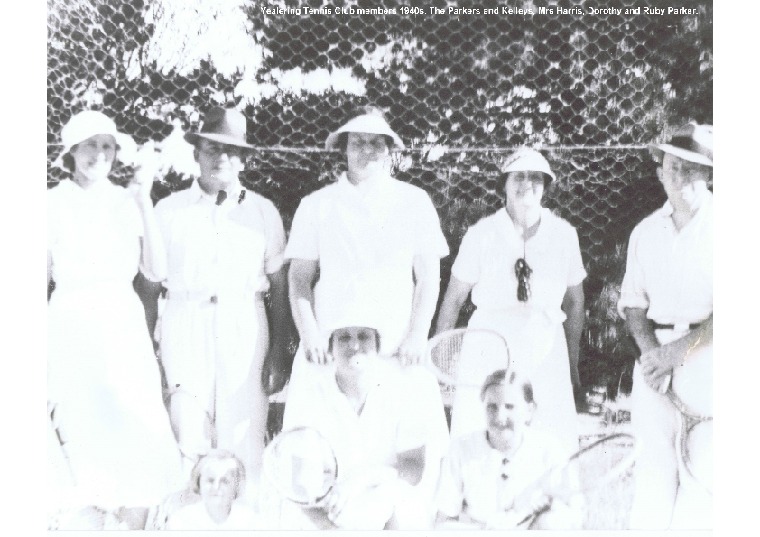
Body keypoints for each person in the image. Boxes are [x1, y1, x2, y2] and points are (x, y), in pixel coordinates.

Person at [47, 110, 183, 529]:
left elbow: (157, 271)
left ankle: (132, 523)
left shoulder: (128, 202)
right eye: (91, 145)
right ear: (70, 152)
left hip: (121, 324)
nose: (100, 154)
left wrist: (143, 200)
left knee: (133, 421)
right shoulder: (49, 203)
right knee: (80, 424)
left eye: (107, 146)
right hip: (71, 323)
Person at [147, 107, 290, 489]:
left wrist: (279, 350)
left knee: (243, 436)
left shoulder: (263, 212)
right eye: (211, 148)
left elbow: (279, 288)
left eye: (231, 151)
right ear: (196, 153)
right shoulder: (168, 211)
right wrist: (150, 352)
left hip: (244, 325)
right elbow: (148, 288)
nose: (221, 158)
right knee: (187, 434)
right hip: (184, 322)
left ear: (243, 158)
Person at [282, 106, 449, 429]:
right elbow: (299, 279)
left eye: (377, 143)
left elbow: (429, 277)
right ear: (344, 147)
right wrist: (311, 334)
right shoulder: (316, 204)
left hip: (399, 349)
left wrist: (417, 335)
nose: (367, 150)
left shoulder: (415, 201)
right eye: (358, 142)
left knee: (406, 448)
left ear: (389, 150)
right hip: (330, 351)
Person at [435, 147, 585, 456]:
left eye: (535, 178)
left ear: (546, 186)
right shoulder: (481, 234)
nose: (526, 185)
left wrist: (571, 362)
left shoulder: (564, 235)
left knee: (550, 437)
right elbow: (453, 299)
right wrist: (439, 359)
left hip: (545, 348)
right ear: (504, 183)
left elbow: (574, 304)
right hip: (487, 346)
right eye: (518, 177)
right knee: (479, 432)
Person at [618, 123, 713, 530]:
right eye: (674, 167)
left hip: (710, 363)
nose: (681, 177)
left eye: (692, 169)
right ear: (660, 172)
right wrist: (652, 355)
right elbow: (633, 305)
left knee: (704, 476)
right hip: (654, 366)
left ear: (709, 174)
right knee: (653, 474)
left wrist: (677, 353)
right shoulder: (645, 231)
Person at [280, 318, 450, 530]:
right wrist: (329, 528)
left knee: (407, 512)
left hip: (384, 495)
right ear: (330, 348)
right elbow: (299, 484)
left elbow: (414, 467)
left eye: (363, 336)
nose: (354, 345)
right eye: (344, 338)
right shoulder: (312, 397)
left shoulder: (401, 391)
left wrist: (361, 481)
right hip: (331, 508)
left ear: (378, 347)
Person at [435, 369, 582, 529]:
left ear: (529, 411)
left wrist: (550, 509)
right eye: (492, 407)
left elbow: (574, 512)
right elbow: (444, 521)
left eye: (510, 407)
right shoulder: (461, 450)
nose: (500, 417)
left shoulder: (549, 450)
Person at [164, 450, 263, 529]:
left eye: (224, 481)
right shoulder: (181, 521)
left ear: (236, 486)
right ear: (199, 482)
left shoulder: (251, 521)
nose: (216, 487)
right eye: (210, 480)